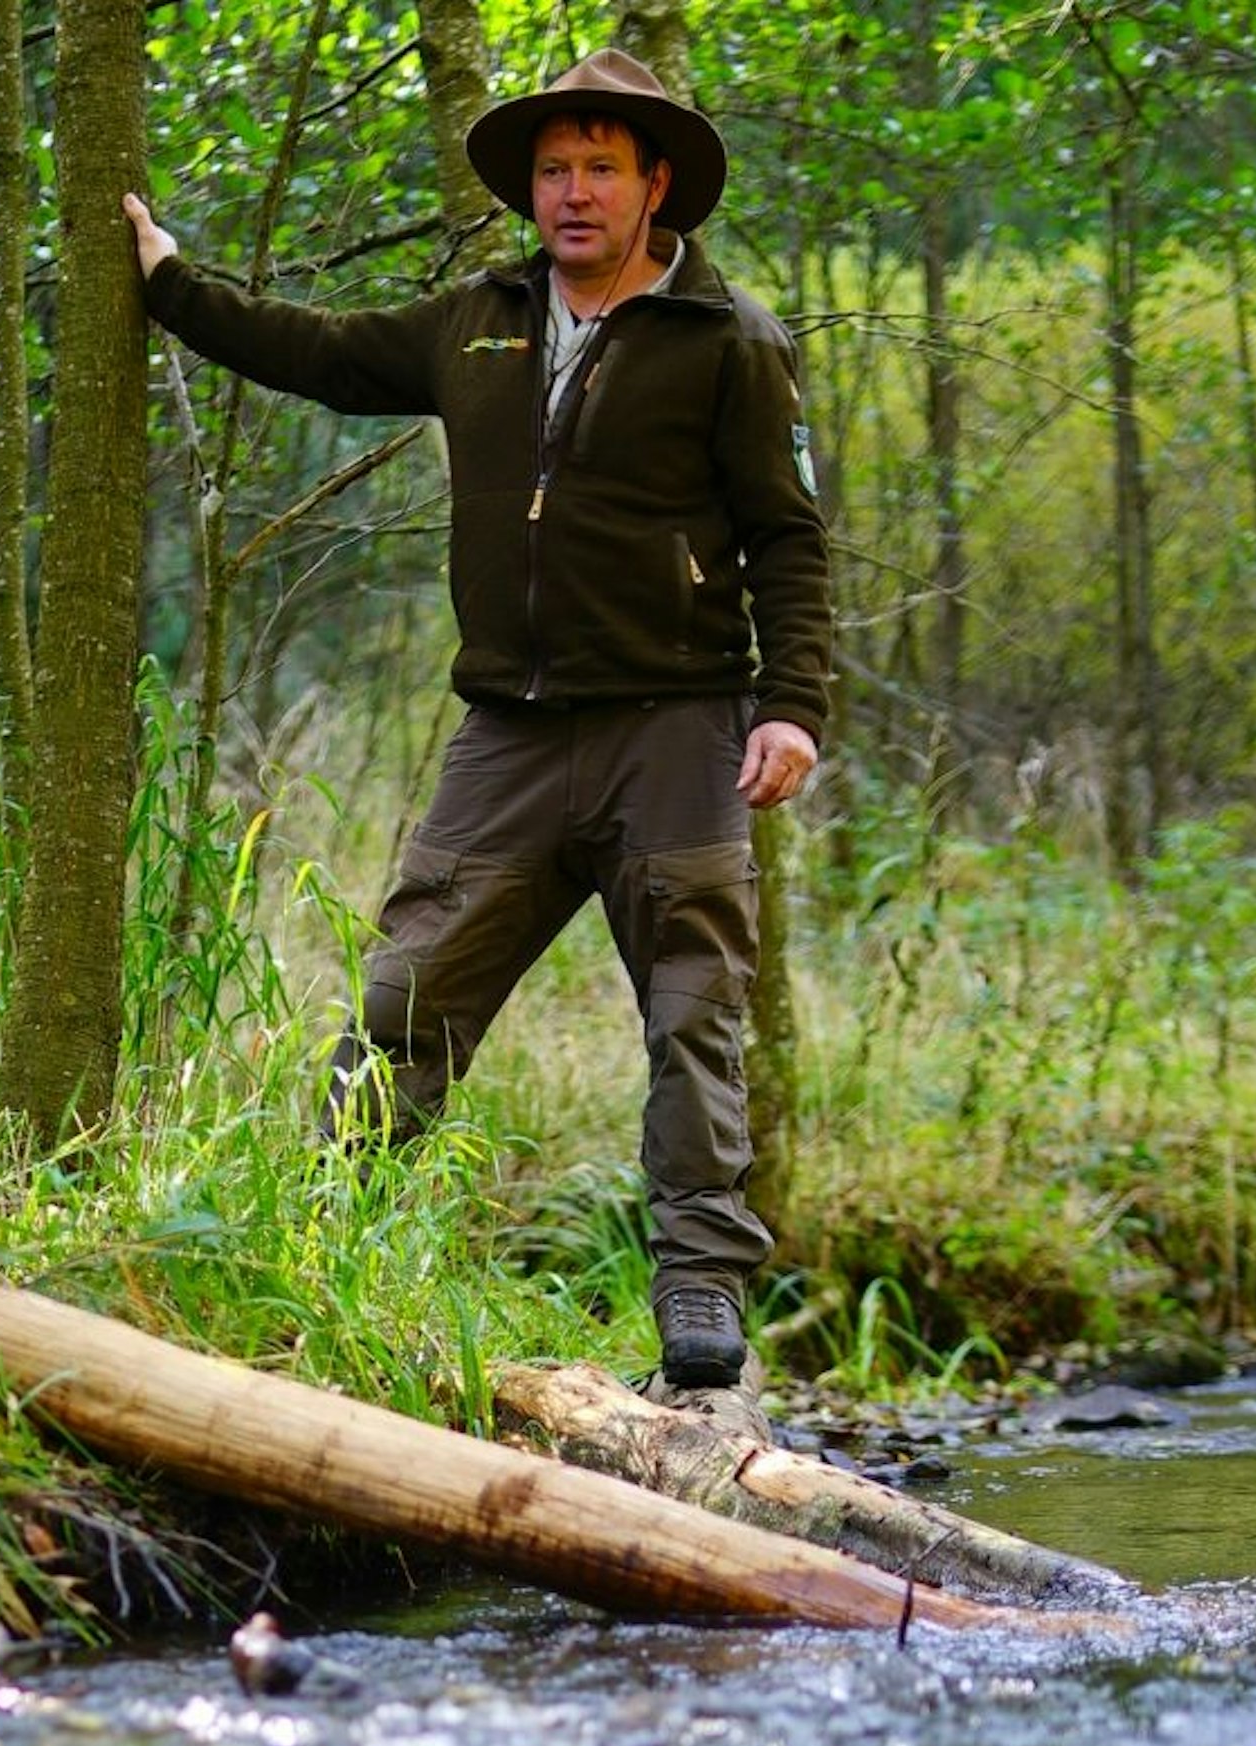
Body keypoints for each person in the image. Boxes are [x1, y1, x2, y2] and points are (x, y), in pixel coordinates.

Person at [123, 48, 832, 1390]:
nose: (573, 193)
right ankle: (325, 1248)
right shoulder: (477, 323)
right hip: (508, 730)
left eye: (601, 170)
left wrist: (790, 707)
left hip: (677, 727)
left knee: (694, 1011)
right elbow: (319, 355)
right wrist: (170, 285)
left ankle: (699, 1289)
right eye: (556, 170)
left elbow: (788, 540)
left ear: (654, 183)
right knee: (406, 995)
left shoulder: (729, 343)